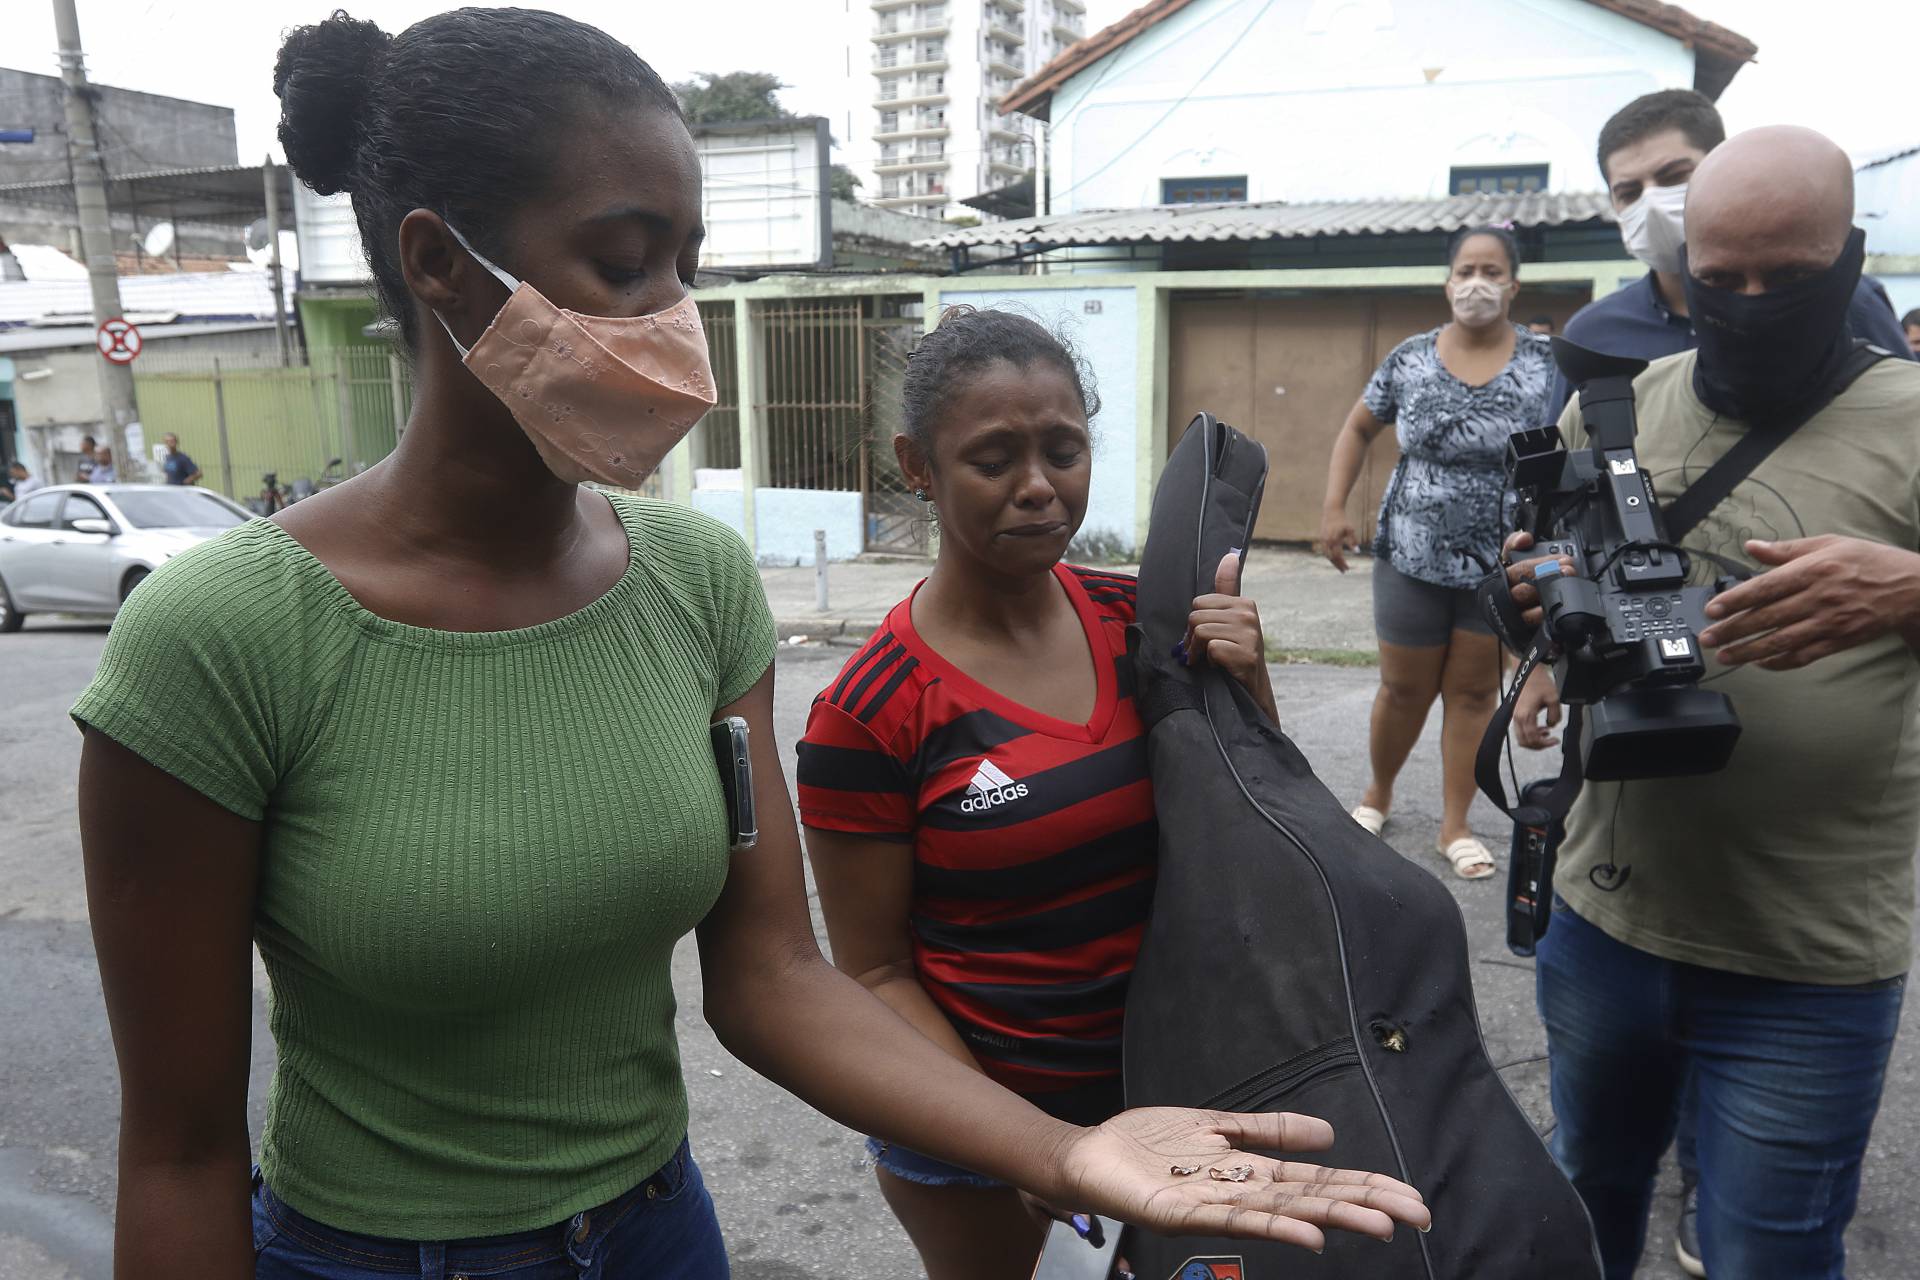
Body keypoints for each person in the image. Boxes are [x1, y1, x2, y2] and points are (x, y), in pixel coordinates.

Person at [72, 12, 1430, 1280]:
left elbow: (774, 975)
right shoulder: (226, 635)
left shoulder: (695, 582)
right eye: (623, 259)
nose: (673, 313)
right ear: (438, 263)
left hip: (662, 1234)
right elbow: (180, 1154)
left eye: (688, 264)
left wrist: (1066, 1152)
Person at [1505, 126, 1920, 1280]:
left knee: (1767, 1253)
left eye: (1787, 279)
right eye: (1719, 275)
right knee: (1583, 1198)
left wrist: (1911, 588)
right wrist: (1540, 630)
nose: (1747, 301)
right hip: (1605, 918)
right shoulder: (1619, 406)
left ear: (1850, 261)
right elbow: (1557, 574)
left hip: (1807, 956)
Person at [796, 306, 1281, 1280]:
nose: (1038, 488)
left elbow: (1256, 833)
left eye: (1064, 449)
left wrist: (1249, 682)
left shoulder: (1140, 623)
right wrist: (1020, 1143)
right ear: (917, 465)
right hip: (979, 1142)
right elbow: (878, 973)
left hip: (1175, 1095)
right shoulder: (869, 711)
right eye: (994, 458)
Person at [1318, 225, 1552, 880]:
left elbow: (1564, 453)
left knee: (1475, 691)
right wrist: (1335, 508)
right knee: (1403, 688)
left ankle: (1455, 826)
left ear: (1513, 283)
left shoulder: (1544, 366)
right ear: (1447, 281)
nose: (1477, 282)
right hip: (1411, 551)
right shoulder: (1411, 357)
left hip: (1499, 560)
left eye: (1492, 270)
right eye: (1465, 270)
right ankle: (1378, 795)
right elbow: (1359, 427)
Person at [1551, 89, 1912, 415]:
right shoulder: (1592, 335)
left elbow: (1904, 417)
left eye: (1674, 177)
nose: (1653, 204)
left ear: (1721, 164)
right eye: (1630, 192)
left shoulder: (1848, 302)